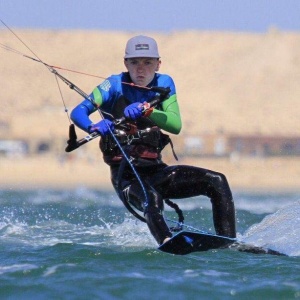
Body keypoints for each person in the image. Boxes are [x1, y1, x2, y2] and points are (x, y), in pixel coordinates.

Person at [70, 35, 236, 245]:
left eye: (148, 63)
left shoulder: (164, 83)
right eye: (135, 62)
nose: (141, 69)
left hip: (156, 171)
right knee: (152, 198)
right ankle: (167, 242)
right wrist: (93, 125)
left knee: (217, 181)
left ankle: (229, 241)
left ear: (158, 64)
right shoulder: (113, 85)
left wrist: (148, 112)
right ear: (125, 63)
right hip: (126, 177)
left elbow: (175, 125)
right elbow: (78, 112)